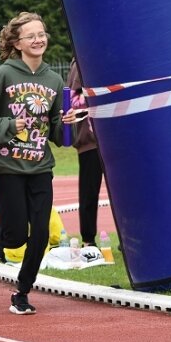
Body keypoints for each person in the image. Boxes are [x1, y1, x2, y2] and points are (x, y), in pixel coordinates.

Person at [0, 11, 78, 315]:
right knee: (16, 235)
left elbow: (58, 135)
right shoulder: (4, 75)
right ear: (17, 43)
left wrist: (67, 122)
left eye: (41, 34)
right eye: (31, 35)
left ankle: (22, 291)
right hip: (8, 168)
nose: (38, 40)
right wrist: (10, 126)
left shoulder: (54, 80)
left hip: (40, 166)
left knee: (41, 233)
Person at [67, 57, 104, 248]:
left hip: (114, 139)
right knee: (89, 192)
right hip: (90, 140)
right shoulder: (80, 63)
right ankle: (88, 240)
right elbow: (75, 98)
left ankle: (129, 239)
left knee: (126, 192)